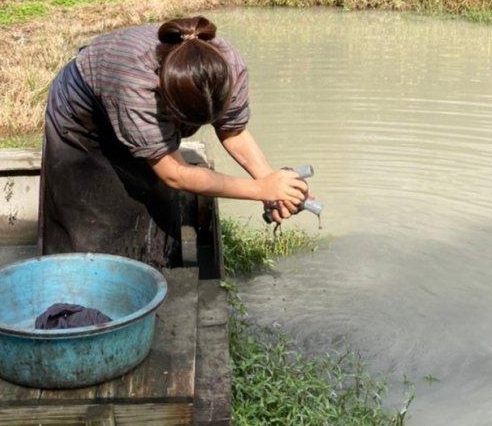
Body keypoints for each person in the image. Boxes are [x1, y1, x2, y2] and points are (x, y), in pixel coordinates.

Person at [39, 15, 308, 266]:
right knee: (87, 217)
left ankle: (152, 277)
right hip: (83, 113)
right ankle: (72, 285)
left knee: (154, 201)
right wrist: (259, 190)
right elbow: (175, 175)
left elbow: (233, 131)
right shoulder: (138, 82)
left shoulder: (229, 68)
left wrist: (274, 186)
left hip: (138, 101)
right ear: (164, 100)